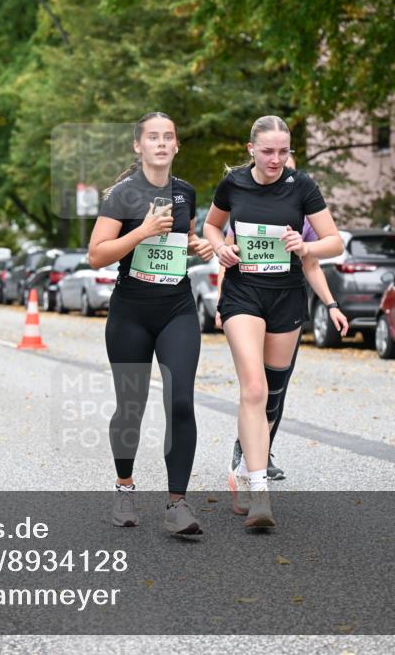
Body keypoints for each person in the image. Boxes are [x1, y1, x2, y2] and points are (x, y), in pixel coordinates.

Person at [203, 115, 343, 528]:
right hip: (243, 293)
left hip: (286, 297)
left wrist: (305, 243)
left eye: (283, 151)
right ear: (251, 150)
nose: (276, 159)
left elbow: (333, 241)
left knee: (274, 393)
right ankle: (260, 493)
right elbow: (212, 225)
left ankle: (245, 467)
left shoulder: (302, 186)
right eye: (267, 151)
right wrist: (219, 249)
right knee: (254, 387)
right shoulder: (233, 184)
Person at [88, 112, 215, 536]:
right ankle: (124, 488)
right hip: (131, 313)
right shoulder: (122, 196)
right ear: (138, 146)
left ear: (177, 146)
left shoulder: (186, 194)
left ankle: (177, 503)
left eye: (169, 137)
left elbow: (184, 239)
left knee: (180, 401)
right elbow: (97, 255)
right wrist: (141, 231)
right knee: (131, 405)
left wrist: (197, 245)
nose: (161, 143)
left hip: (176, 307)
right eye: (153, 137)